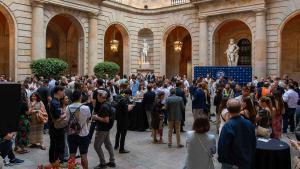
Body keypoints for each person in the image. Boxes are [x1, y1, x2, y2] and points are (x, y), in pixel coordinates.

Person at [218, 99, 256, 169]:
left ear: (228, 110)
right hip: (245, 159)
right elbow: (253, 142)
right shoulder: (249, 123)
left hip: (231, 162)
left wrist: (221, 158)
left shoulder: (227, 126)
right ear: (240, 108)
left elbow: (223, 145)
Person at [66, 90, 91, 169]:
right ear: (80, 97)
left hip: (71, 134)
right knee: (84, 155)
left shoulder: (68, 107)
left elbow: (67, 120)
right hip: (83, 134)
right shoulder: (86, 108)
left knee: (72, 155)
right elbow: (88, 120)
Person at [93, 90, 116, 169]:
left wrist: (96, 117)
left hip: (102, 129)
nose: (96, 97)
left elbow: (106, 120)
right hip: (106, 129)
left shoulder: (104, 106)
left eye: (97, 96)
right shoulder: (107, 104)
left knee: (97, 146)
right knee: (108, 144)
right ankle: (112, 161)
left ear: (100, 96)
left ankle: (103, 163)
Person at [49, 86, 66, 165]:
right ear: (59, 91)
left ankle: (53, 161)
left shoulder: (55, 101)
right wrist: (66, 114)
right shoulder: (55, 103)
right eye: (63, 91)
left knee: (54, 144)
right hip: (57, 128)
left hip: (53, 128)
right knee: (59, 146)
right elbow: (57, 119)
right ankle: (58, 162)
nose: (64, 93)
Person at [114, 89, 133, 154]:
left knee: (118, 132)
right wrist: (130, 107)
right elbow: (126, 110)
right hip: (124, 119)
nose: (129, 96)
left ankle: (116, 145)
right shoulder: (124, 101)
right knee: (123, 134)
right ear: (127, 94)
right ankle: (121, 149)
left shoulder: (120, 99)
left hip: (119, 119)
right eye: (129, 95)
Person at [15, 89, 30, 154]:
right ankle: (22, 149)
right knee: (23, 134)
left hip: (17, 119)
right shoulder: (24, 103)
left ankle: (16, 147)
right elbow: (27, 113)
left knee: (18, 133)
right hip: (23, 120)